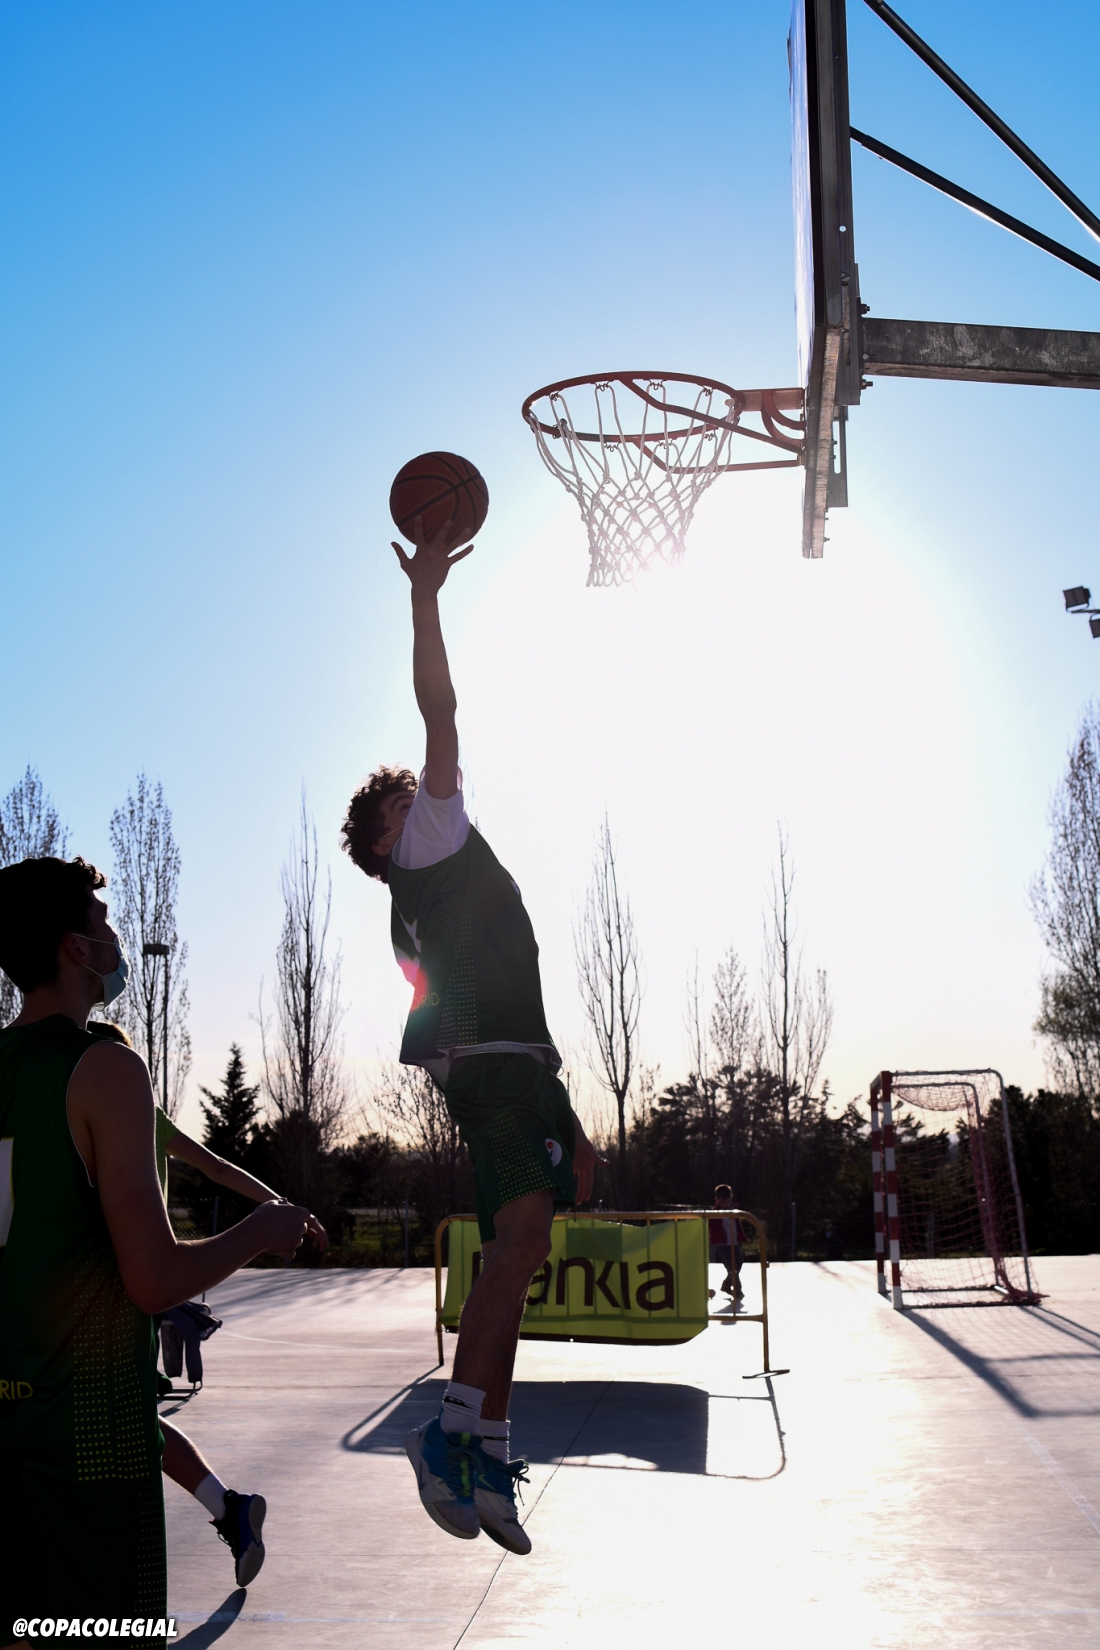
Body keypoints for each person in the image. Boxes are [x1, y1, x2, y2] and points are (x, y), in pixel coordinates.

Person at [341, 516, 604, 1557]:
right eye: (402, 796)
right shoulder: (429, 845)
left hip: (514, 1069)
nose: (425, 785)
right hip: (493, 1074)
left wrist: (568, 1116)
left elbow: (491, 998)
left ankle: (486, 1444)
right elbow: (440, 710)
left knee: (513, 1258)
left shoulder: (426, 879)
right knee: (520, 1250)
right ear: (387, 836)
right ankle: (448, 1437)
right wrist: (425, 597)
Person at [0, 856, 311, 1648]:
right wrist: (263, 1230)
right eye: (103, 924)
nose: (114, 939)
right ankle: (229, 1509)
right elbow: (153, 1279)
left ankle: (226, 1507)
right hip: (88, 1431)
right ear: (75, 948)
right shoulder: (103, 1067)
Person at [88, 1019, 328, 1586]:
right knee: (132, 1415)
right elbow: (216, 1168)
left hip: (115, 1279)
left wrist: (278, 1214)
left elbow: (215, 1168)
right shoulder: (144, 1115)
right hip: (129, 1279)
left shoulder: (111, 1109)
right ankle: (229, 1508)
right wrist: (279, 1207)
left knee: (110, 1417)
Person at [709, 1184, 745, 1304]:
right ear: (717, 1200)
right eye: (723, 1202)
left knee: (739, 1263)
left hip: (734, 1242)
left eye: (728, 1202)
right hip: (721, 1244)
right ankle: (738, 1290)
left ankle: (726, 1284)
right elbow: (710, 1226)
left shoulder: (734, 1209)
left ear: (731, 1199)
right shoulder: (715, 1213)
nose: (726, 1205)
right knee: (732, 1267)